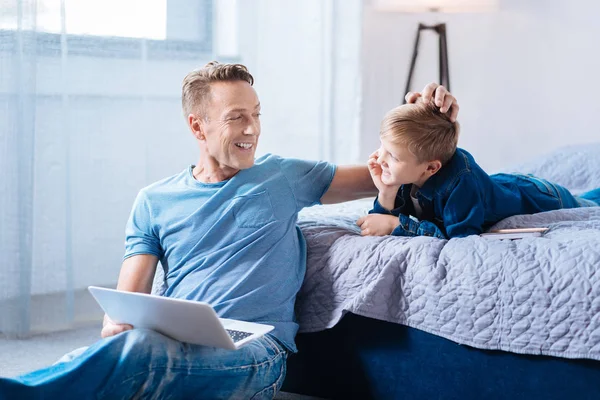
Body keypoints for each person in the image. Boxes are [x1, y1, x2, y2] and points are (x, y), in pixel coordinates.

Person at [0, 62, 458, 399]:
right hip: (174, 342)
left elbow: (397, 171)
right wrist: (114, 325)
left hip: (257, 354)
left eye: (256, 114)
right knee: (138, 347)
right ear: (197, 125)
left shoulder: (283, 176)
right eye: (237, 117)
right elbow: (125, 307)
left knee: (144, 360)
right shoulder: (153, 200)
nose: (253, 129)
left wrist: (431, 123)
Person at [357, 99, 600, 239]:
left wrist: (398, 227)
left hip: (538, 196)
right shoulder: (407, 170)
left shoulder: (461, 184)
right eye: (382, 146)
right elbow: (380, 217)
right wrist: (386, 192)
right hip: (503, 183)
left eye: (393, 155)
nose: (380, 158)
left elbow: (460, 237)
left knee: (589, 205)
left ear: (431, 168)